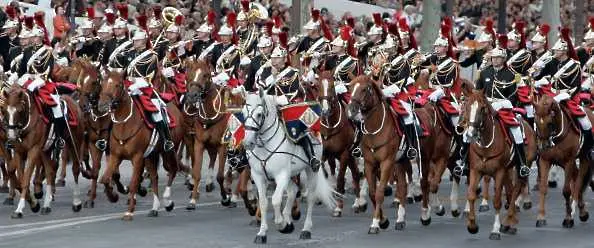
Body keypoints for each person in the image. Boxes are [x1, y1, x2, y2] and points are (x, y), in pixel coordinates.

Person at [462, 34, 530, 177]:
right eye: (493, 58)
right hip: (485, 106)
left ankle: (522, 163)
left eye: (498, 58)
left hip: (503, 107)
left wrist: (502, 103)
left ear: (503, 59)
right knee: (467, 130)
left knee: (516, 130)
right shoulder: (484, 72)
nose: (495, 60)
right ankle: (463, 162)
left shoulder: (511, 74)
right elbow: (477, 90)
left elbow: (514, 95)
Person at [533, 27, 594, 161]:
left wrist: (563, 95)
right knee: (538, 115)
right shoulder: (552, 62)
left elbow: (576, 86)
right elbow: (539, 75)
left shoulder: (574, 65)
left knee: (585, 121)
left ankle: (589, 148)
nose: (555, 52)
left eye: (558, 50)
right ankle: (537, 144)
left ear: (564, 51)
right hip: (551, 96)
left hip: (569, 97)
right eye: (555, 50)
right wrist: (537, 73)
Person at [266, 31, 321, 171]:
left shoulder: (292, 73)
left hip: (289, 106)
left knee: (298, 131)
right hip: (272, 107)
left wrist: (281, 99)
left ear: (284, 59)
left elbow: (296, 91)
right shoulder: (269, 73)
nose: (274, 60)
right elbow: (265, 90)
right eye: (272, 57)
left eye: (277, 58)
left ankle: (311, 157)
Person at [123, 15, 174, 151]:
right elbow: (123, 71)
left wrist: (135, 82)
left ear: (144, 41)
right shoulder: (129, 54)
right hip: (127, 87)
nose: (135, 43)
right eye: (134, 41)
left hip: (144, 88)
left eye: (138, 41)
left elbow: (149, 77)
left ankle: (166, 139)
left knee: (157, 109)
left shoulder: (152, 56)